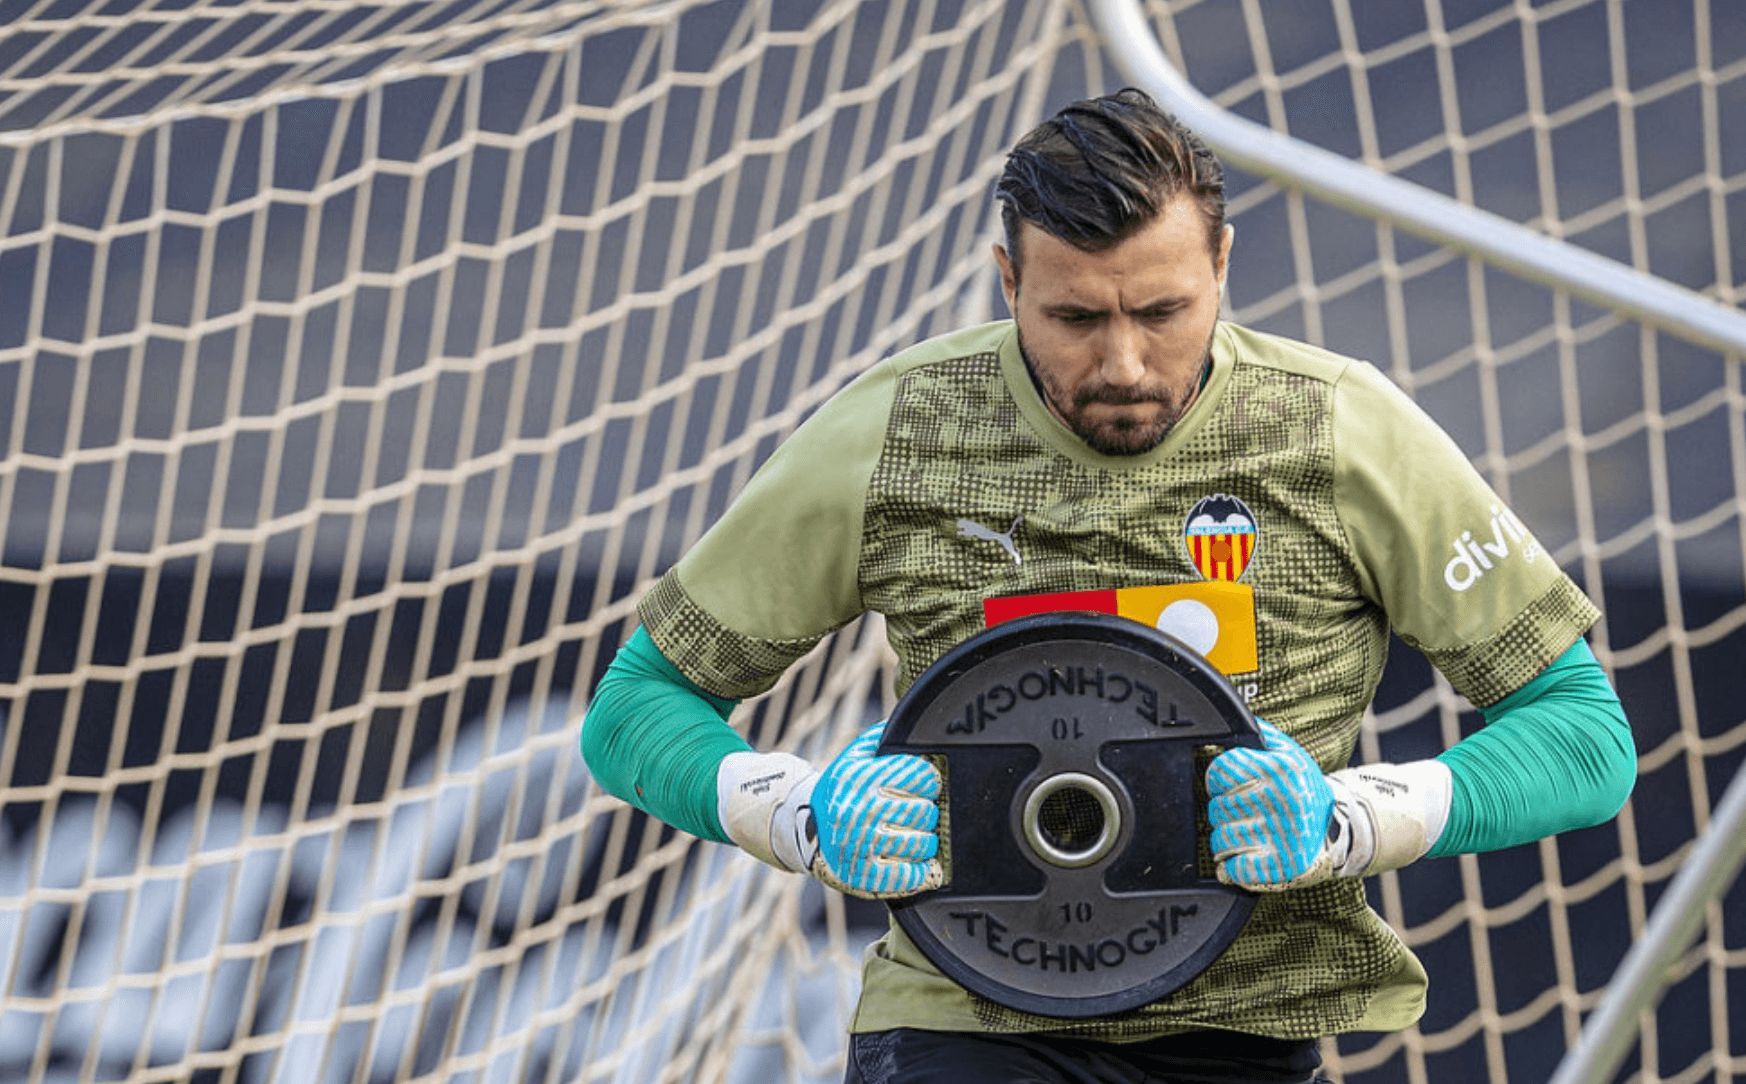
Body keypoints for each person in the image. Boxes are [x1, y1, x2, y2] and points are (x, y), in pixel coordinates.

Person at [581, 88, 1636, 1083]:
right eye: (1076, 319)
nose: (1125, 363)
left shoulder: (1341, 428)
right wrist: (799, 812)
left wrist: (1355, 817)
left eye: (1164, 310)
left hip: (1245, 1024)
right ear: (1008, 282)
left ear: (1223, 263)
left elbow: (1585, 737)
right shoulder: (896, 430)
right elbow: (633, 711)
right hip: (964, 1017)